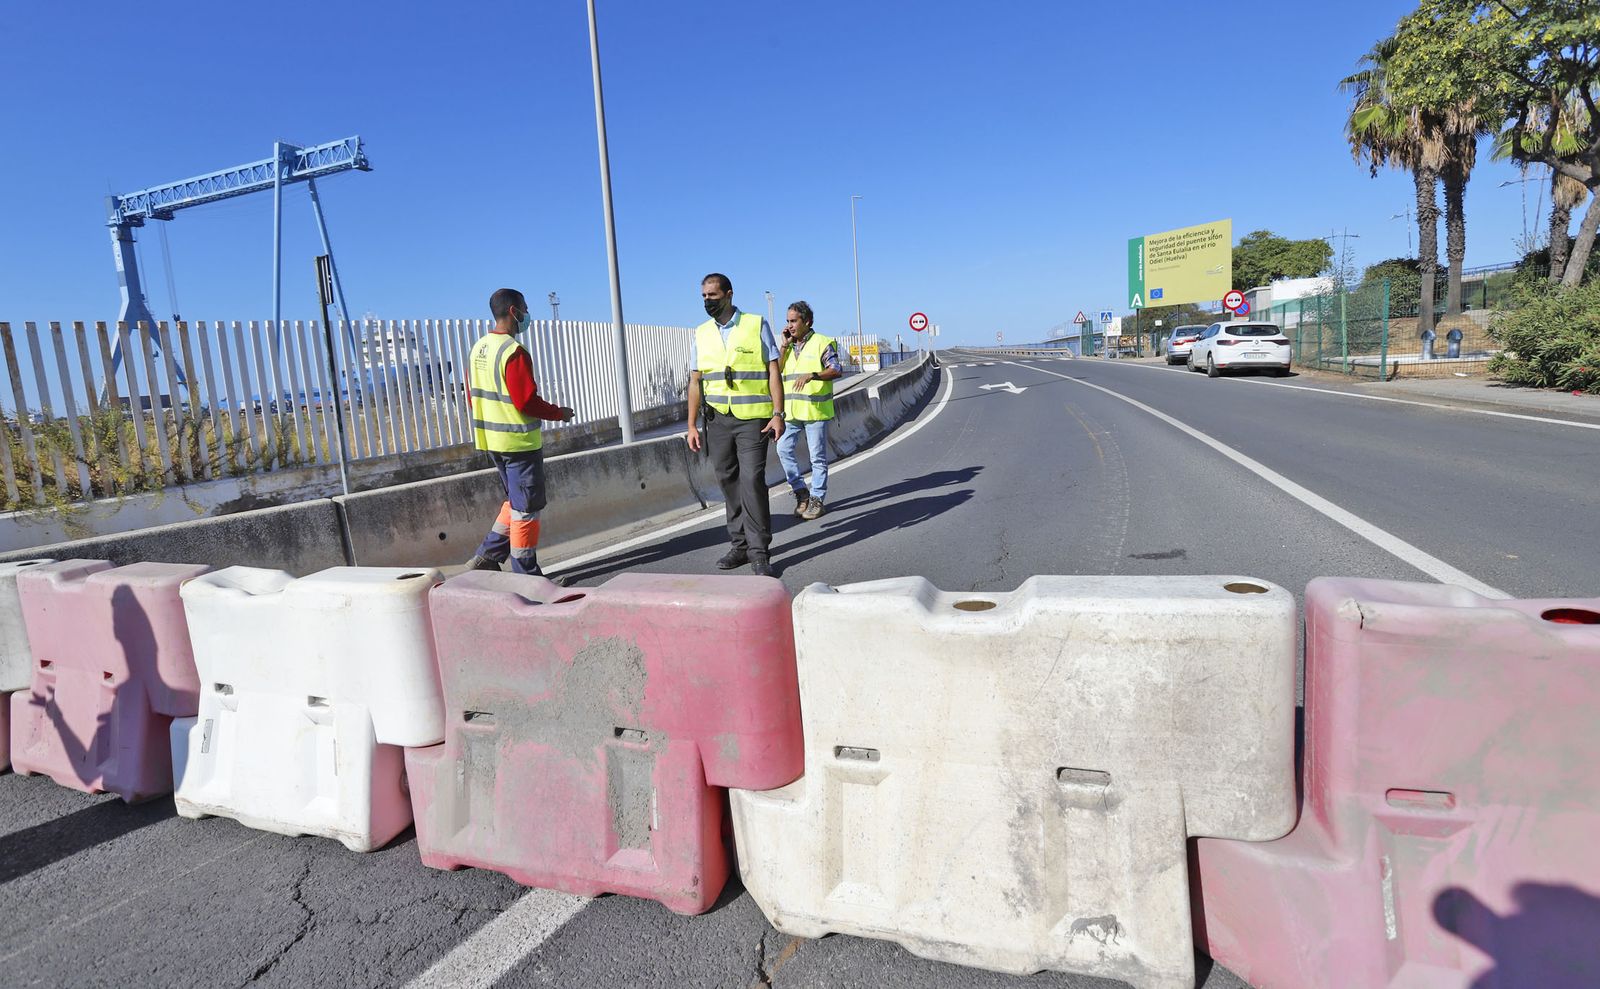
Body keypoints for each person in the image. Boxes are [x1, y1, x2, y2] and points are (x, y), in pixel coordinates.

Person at [464, 288, 575, 576]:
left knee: (515, 501)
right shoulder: (514, 351)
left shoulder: (479, 348)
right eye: (525, 309)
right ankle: (527, 576)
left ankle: (488, 556)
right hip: (518, 443)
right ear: (514, 311)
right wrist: (559, 413)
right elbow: (525, 400)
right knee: (526, 508)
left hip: (491, 441)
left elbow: (472, 396)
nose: (527, 315)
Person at [686, 273, 785, 578]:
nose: (707, 301)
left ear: (728, 294)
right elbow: (695, 381)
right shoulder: (702, 333)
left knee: (752, 481)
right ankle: (739, 545)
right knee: (727, 481)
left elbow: (772, 371)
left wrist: (778, 413)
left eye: (712, 296)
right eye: (703, 296)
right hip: (717, 420)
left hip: (753, 419)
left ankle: (759, 552)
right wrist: (691, 425)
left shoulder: (755, 325)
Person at [776, 301, 842, 520]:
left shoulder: (822, 343)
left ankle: (817, 499)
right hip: (791, 412)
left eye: (794, 321)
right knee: (783, 449)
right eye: (787, 321)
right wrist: (784, 345)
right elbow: (776, 372)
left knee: (817, 458)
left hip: (814, 411)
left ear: (807, 322)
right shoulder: (788, 346)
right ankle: (801, 492)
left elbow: (835, 369)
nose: (790, 325)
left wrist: (813, 375)